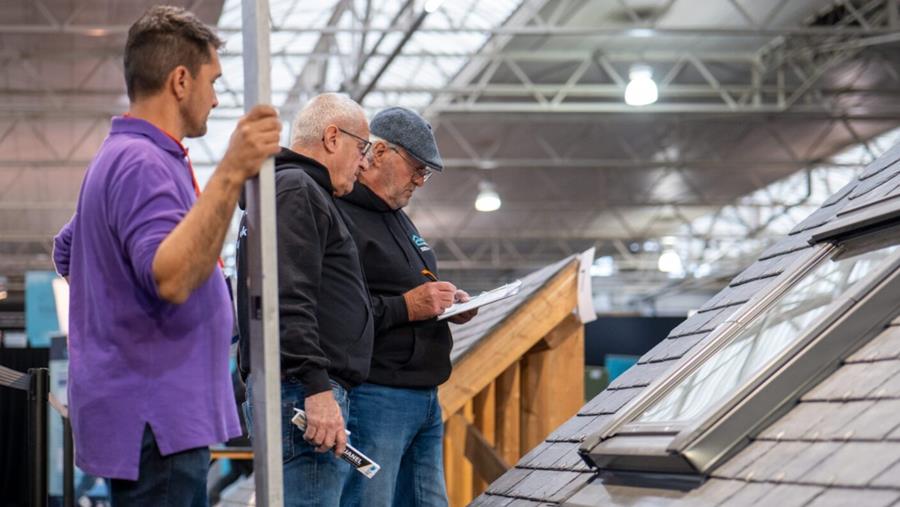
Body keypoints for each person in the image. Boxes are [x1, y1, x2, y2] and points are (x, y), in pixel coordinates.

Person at [51, 6, 281, 506]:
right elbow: (173, 278)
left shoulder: (123, 156)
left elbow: (68, 251)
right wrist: (231, 171)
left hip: (147, 413)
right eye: (212, 81)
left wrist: (115, 315)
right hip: (157, 417)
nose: (217, 98)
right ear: (181, 80)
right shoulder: (142, 163)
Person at [237, 93, 374, 507]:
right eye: (362, 148)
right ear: (333, 137)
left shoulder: (282, 190)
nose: (364, 162)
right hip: (300, 390)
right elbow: (286, 296)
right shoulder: (297, 189)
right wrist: (317, 389)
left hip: (291, 386)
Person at [337, 107, 477, 507]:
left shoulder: (399, 218)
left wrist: (447, 301)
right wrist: (407, 307)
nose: (420, 180)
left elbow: (411, 290)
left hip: (424, 395)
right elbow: (339, 312)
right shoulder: (339, 214)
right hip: (376, 395)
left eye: (425, 173)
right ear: (379, 153)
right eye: (417, 167)